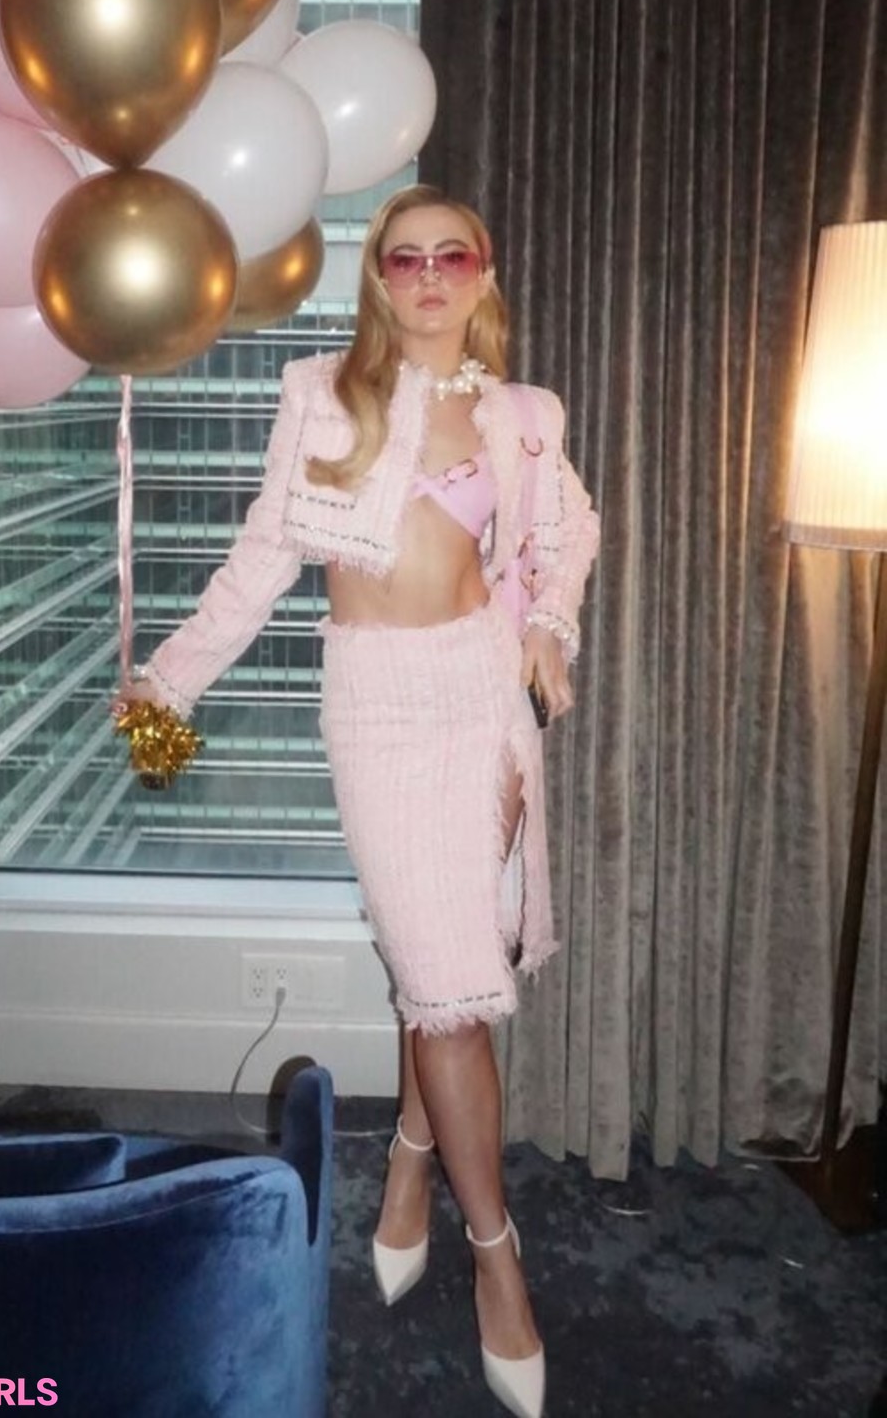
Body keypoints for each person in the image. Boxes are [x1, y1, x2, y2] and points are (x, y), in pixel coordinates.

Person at [133, 183, 600, 1418]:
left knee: (439, 962)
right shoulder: (320, 394)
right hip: (378, 707)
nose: (430, 273)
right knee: (445, 983)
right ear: (380, 279)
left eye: (454, 253)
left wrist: (548, 627)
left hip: (480, 696)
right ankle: (498, 1253)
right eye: (406, 257)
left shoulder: (522, 414)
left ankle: (413, 1157)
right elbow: (262, 557)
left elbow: (568, 533)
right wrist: (169, 678)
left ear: (483, 271)